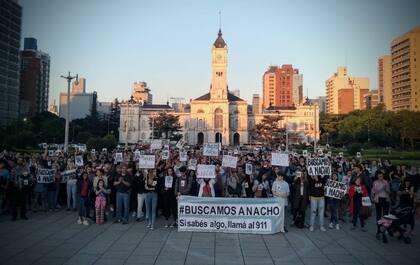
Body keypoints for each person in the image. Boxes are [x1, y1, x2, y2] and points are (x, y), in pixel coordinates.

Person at [372, 172, 390, 237]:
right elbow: (374, 191)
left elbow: (389, 191)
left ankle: (386, 228)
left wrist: (386, 188)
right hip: (378, 199)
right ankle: (378, 228)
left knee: (386, 215)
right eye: (379, 176)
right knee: (378, 215)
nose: (380, 178)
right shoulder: (375, 182)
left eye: (381, 176)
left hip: (385, 199)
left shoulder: (386, 182)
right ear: (377, 177)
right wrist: (382, 188)